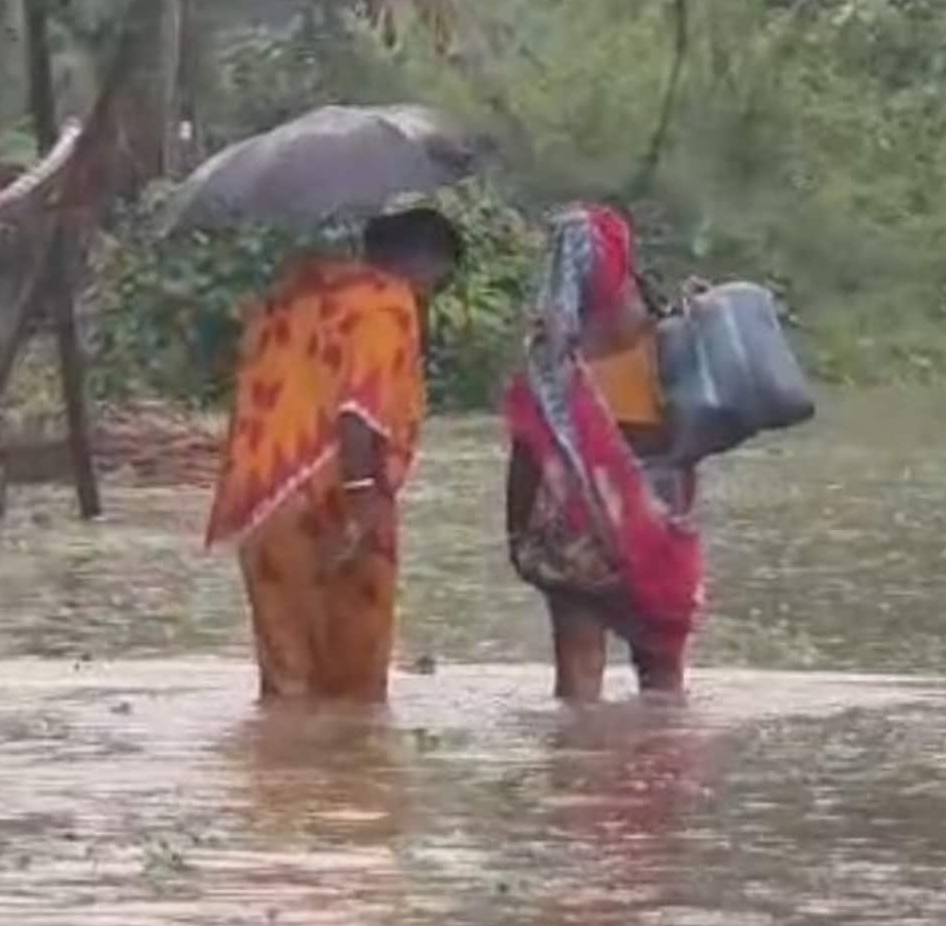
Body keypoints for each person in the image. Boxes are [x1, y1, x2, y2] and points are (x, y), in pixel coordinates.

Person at [205, 208, 464, 702]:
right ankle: (345, 781)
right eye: (440, 283)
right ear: (426, 263)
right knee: (356, 693)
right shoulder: (387, 303)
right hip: (335, 500)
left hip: (262, 503)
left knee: (287, 687)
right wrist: (363, 499)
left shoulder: (291, 293)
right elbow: (359, 409)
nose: (433, 297)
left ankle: (287, 780)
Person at [504, 205, 704, 703]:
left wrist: (516, 533)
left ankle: (574, 775)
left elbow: (529, 451)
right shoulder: (667, 338)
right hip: (657, 521)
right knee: (662, 674)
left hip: (576, 530)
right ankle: (665, 772)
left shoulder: (552, 361)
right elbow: (694, 439)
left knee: (578, 671)